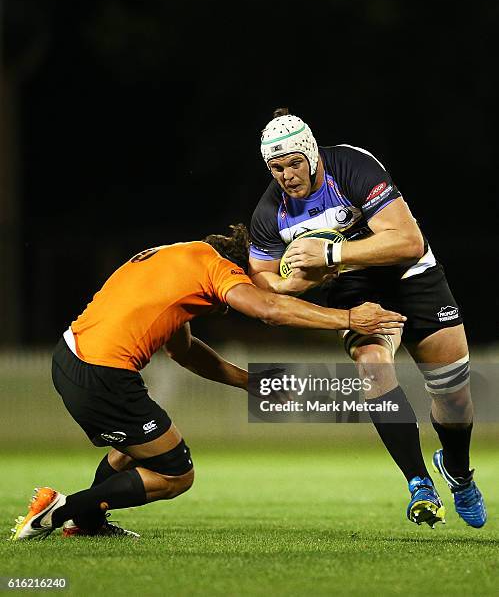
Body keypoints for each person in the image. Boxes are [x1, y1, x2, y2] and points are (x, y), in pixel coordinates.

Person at [10, 225, 405, 540]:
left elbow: (184, 351)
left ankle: (89, 525)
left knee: (133, 450)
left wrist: (249, 382)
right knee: (175, 473)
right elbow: (267, 308)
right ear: (244, 266)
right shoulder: (219, 268)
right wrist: (349, 319)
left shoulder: (177, 257)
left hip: (69, 357)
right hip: (103, 372)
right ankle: (60, 510)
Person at [249, 108, 486, 528]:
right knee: (373, 367)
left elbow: (408, 241)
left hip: (412, 276)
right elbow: (263, 282)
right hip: (354, 289)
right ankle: (419, 484)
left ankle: (459, 472)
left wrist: (330, 254)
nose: (286, 175)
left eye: (293, 163)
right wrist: (291, 285)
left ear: (312, 154)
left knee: (454, 395)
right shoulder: (270, 213)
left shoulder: (352, 166)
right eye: (276, 167)